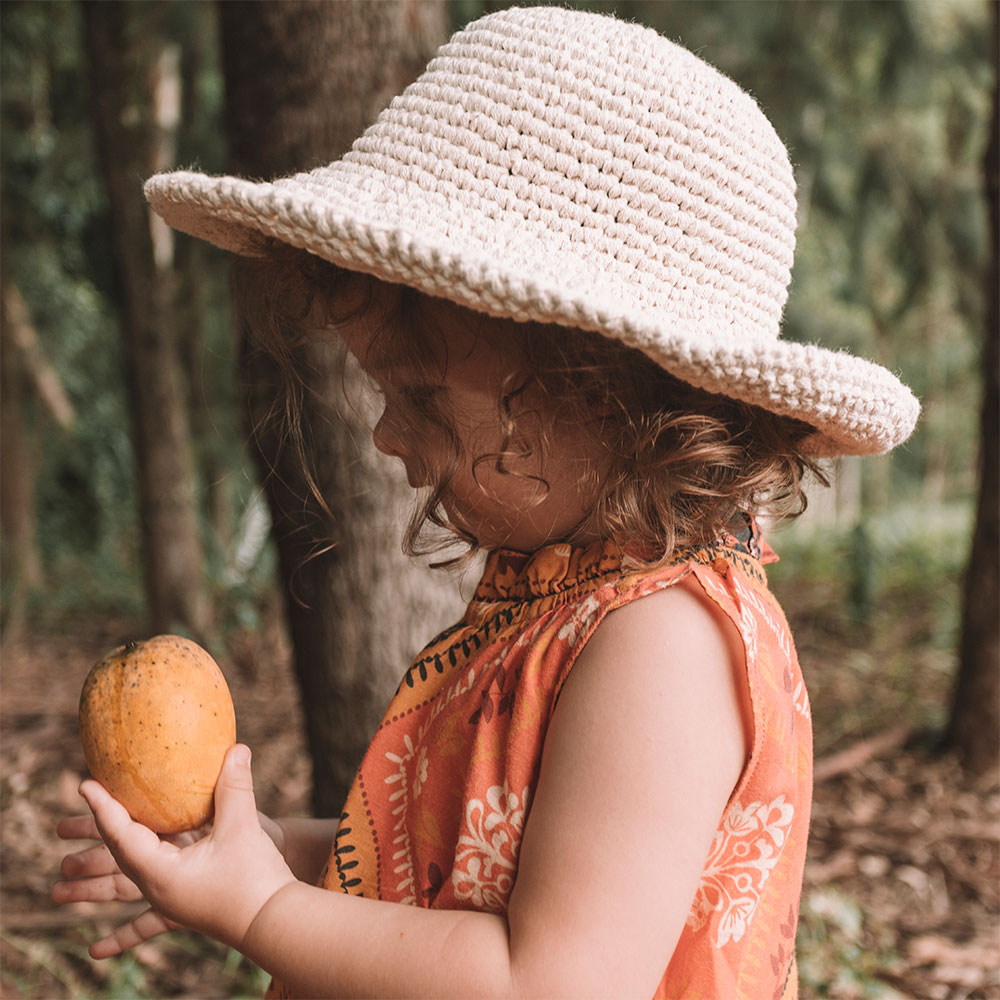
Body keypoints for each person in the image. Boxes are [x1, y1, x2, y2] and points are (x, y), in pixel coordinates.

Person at [51, 7, 919, 998]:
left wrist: (262, 912)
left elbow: (550, 978)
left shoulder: (664, 641)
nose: (384, 435)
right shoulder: (561, 600)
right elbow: (469, 869)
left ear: (601, 389)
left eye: (417, 395)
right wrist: (264, 854)